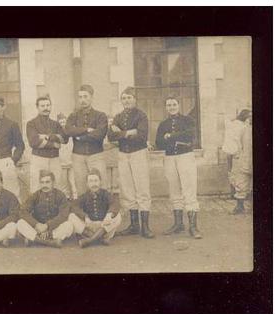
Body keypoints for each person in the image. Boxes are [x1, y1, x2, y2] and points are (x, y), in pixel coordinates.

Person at [108, 87, 154, 238]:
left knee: (142, 188)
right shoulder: (118, 116)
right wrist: (129, 132)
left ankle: (145, 226)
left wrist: (120, 133)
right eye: (124, 98)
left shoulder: (141, 116)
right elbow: (110, 136)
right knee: (127, 189)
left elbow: (141, 136)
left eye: (129, 97)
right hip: (123, 154)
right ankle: (134, 225)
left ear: (135, 99)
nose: (126, 100)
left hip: (138, 154)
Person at [155, 95, 202, 239]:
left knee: (189, 190)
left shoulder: (188, 120)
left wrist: (171, 136)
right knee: (174, 190)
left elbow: (190, 135)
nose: (171, 107)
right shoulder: (163, 124)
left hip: (185, 157)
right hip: (169, 158)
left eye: (174, 104)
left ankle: (193, 227)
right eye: (168, 105)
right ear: (166, 108)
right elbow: (158, 142)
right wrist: (173, 138)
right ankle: (178, 224)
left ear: (179, 105)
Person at [65, 84, 108, 195]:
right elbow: (68, 130)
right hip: (78, 156)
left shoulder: (100, 116)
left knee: (100, 185)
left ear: (91, 97)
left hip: (96, 155)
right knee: (81, 187)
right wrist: (87, 129)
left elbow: (99, 134)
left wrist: (79, 135)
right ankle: (83, 212)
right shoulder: (73, 116)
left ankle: (101, 211)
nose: (82, 100)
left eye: (85, 96)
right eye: (80, 97)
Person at [16, 170, 73, 248]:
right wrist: (36, 224)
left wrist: (48, 226)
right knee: (20, 223)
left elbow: (63, 215)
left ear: (53, 183)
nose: (44, 185)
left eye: (47, 182)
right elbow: (23, 211)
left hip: (53, 228)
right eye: (42, 182)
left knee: (69, 225)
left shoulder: (60, 195)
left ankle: (35, 240)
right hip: (37, 229)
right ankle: (50, 242)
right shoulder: (35, 195)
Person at [69, 169, 122, 248]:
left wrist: (109, 214)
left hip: (104, 227)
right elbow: (74, 206)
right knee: (71, 216)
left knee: (118, 216)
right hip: (89, 227)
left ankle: (90, 240)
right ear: (87, 184)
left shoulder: (105, 194)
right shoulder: (84, 196)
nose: (94, 184)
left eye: (96, 180)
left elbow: (115, 203)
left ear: (100, 182)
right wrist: (84, 216)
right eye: (91, 181)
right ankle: (99, 239)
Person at [26, 96, 68, 193]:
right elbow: (34, 142)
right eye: (42, 106)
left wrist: (47, 137)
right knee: (37, 187)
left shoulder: (55, 124)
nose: (46, 108)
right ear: (37, 107)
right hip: (39, 159)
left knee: (57, 185)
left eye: (48, 105)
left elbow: (65, 139)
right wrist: (54, 144)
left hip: (55, 159)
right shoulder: (31, 123)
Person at [222, 109, 252, 199]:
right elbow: (237, 140)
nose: (250, 118)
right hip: (236, 153)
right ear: (245, 117)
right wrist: (239, 152)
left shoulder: (235, 124)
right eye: (249, 116)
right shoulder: (241, 126)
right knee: (236, 173)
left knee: (233, 173)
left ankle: (234, 193)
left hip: (232, 152)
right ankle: (235, 193)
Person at [229, 112, 252, 214]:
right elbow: (237, 144)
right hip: (244, 158)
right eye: (249, 117)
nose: (250, 119)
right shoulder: (243, 129)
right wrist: (239, 156)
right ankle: (240, 207)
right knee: (241, 182)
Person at [57, 113, 78, 200]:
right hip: (62, 161)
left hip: (71, 160)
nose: (62, 123)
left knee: (73, 180)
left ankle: (75, 195)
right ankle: (66, 197)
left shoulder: (71, 132)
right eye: (61, 122)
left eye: (64, 121)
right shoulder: (58, 133)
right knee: (63, 181)